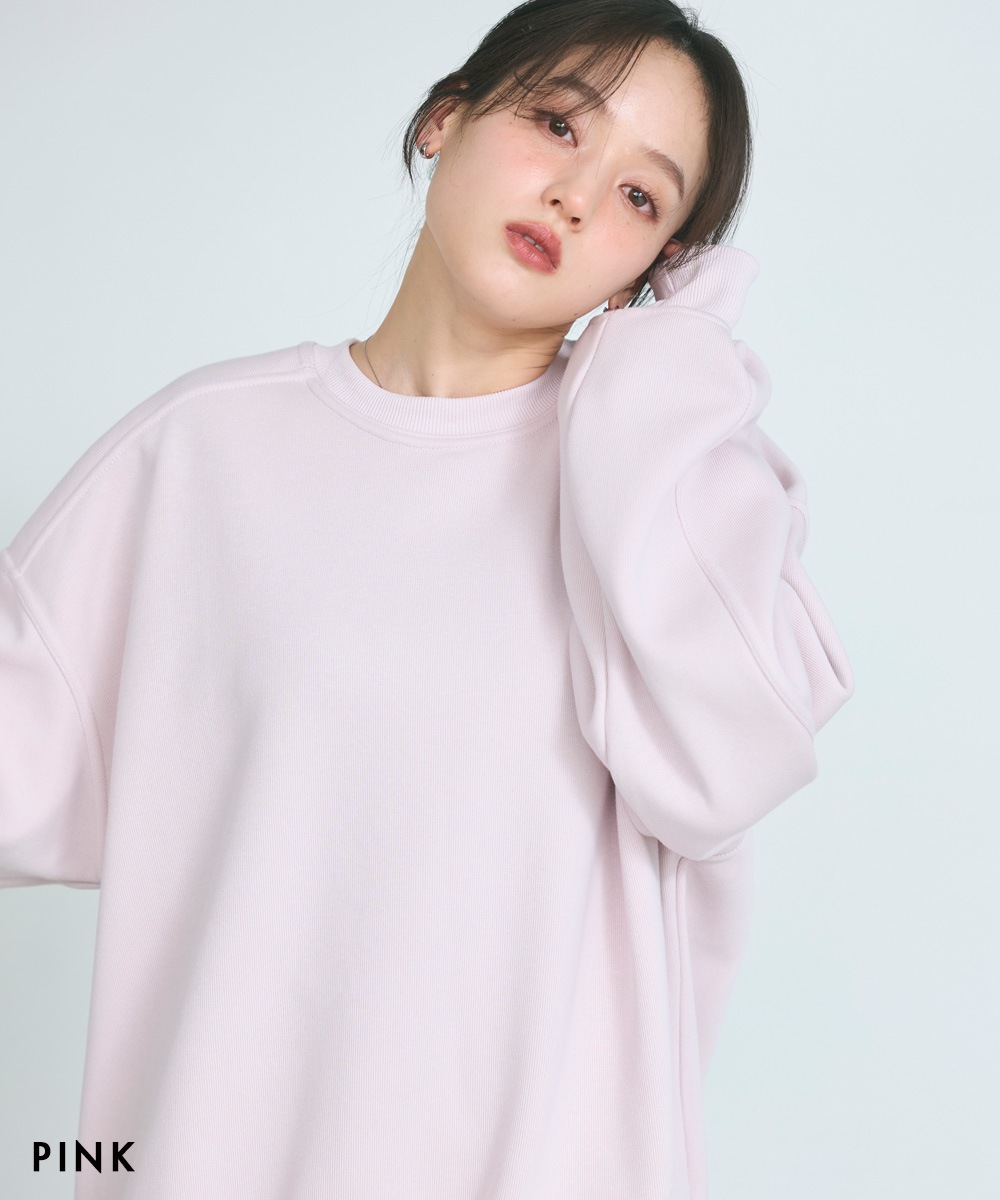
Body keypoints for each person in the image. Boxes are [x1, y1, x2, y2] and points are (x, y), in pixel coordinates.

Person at [0, 1, 855, 1196]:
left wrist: (664, 376)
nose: (576, 197)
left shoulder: (677, 494)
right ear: (445, 116)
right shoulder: (200, 450)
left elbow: (720, 770)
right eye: (558, 123)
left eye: (639, 197)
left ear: (663, 266)